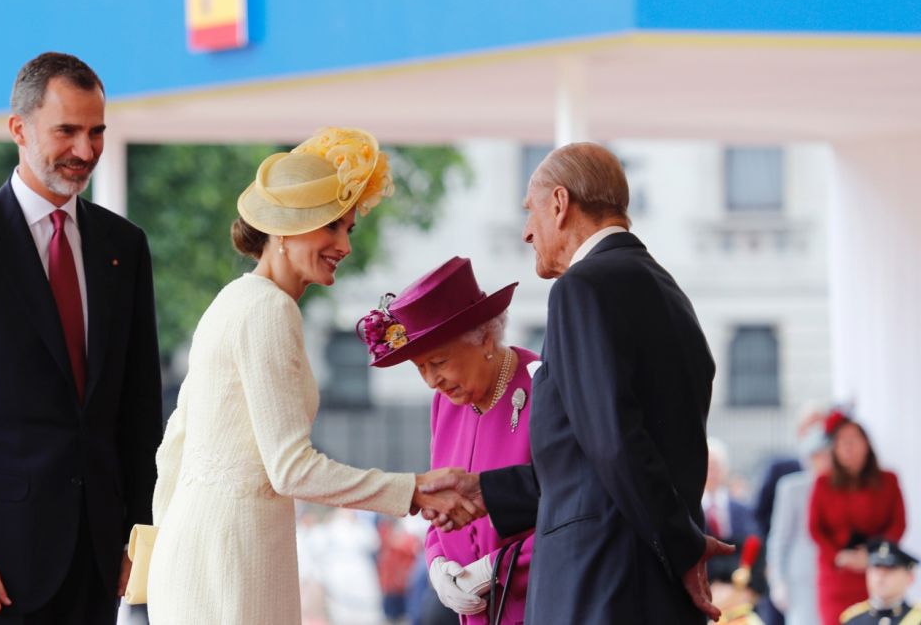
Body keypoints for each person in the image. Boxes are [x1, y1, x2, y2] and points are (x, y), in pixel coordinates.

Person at [146, 127, 478, 624]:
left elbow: (173, 445)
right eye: (331, 228)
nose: (344, 245)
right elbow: (290, 469)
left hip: (202, 555)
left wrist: (165, 551)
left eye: (348, 229)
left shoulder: (232, 300)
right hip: (232, 560)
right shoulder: (268, 310)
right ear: (284, 229)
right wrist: (411, 488)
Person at [0, 52, 163, 624]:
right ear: (19, 129)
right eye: (66, 131)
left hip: (95, 566)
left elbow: (140, 411)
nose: (86, 151)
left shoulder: (125, 247)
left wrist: (137, 539)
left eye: (96, 132)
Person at [420, 142, 733, 623]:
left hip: (600, 586)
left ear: (560, 204)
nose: (526, 232)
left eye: (531, 211)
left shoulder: (581, 288)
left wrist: (684, 548)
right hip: (647, 584)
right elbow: (594, 458)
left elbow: (614, 443)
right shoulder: (669, 291)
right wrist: (488, 491)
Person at [360, 255, 536, 624]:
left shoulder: (542, 386)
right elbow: (440, 502)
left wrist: (496, 568)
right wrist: (437, 561)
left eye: (438, 362)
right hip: (469, 613)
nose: (431, 381)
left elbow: (575, 504)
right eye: (420, 367)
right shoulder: (445, 404)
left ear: (485, 339)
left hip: (536, 605)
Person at [809, 412, 907, 625]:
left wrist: (873, 555)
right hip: (837, 575)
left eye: (853, 440)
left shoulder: (887, 481)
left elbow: (898, 523)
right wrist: (838, 556)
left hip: (876, 573)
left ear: (866, 445)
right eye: (842, 442)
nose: (848, 447)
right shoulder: (823, 483)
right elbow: (815, 529)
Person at [766, 419, 831, 625]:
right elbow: (779, 537)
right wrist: (778, 581)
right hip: (801, 578)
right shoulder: (792, 487)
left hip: (834, 577)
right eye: (820, 455)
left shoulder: (842, 489)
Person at [839, 540, 920, 624]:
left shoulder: (917, 619)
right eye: (876, 567)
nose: (881, 575)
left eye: (890, 569)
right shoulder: (853, 620)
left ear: (910, 577)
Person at [704, 438, 760, 544]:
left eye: (715, 467)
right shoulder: (690, 511)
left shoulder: (743, 508)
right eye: (707, 467)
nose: (711, 473)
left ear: (725, 469)